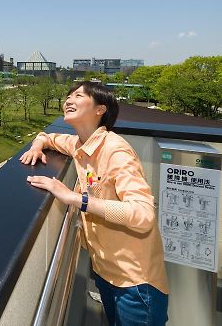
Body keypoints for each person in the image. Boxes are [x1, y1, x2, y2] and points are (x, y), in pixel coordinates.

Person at [20, 81, 168, 326]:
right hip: (105, 271)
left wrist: (74, 198)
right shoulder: (80, 144)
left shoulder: (115, 151)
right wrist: (37, 146)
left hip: (136, 283)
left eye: (78, 95)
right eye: (68, 95)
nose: (68, 100)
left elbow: (143, 215)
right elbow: (46, 136)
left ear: (100, 109)